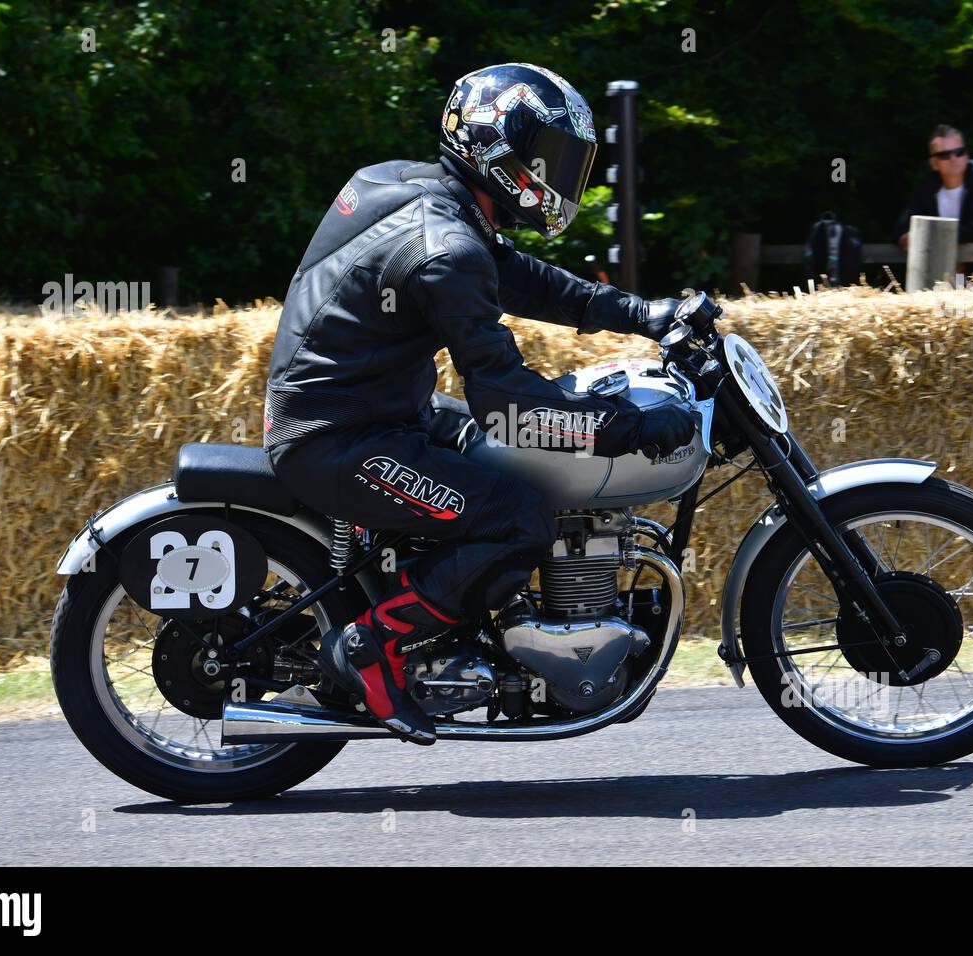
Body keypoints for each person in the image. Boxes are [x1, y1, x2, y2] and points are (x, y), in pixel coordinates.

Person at [262, 63, 695, 745]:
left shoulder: (414, 188)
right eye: (552, 158)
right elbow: (509, 407)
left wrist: (647, 312)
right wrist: (630, 429)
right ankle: (374, 646)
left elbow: (526, 280)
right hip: (339, 438)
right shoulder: (448, 248)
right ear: (501, 152)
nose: (562, 175)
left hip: (380, 411)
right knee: (516, 520)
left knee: (517, 475)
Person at [893, 124, 973, 250]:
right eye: (944, 155)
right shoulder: (927, 189)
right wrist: (906, 238)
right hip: (936, 267)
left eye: (959, 152)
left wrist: (926, 237)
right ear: (934, 164)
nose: (953, 159)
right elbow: (900, 229)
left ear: (967, 155)